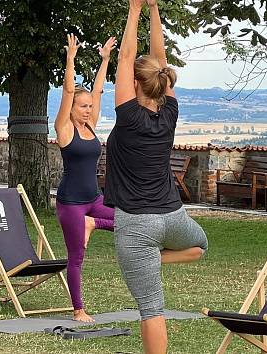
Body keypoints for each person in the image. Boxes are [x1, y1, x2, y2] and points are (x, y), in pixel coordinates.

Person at [104, 0, 208, 353]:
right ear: (162, 85)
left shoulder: (128, 116)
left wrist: (134, 10)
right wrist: (153, 8)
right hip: (173, 217)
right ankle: (155, 259)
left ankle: (150, 259)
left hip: (137, 224)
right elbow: (161, 60)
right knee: (200, 246)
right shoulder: (171, 111)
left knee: (151, 309)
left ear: (135, 83)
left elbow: (125, 58)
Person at [55, 33, 117, 323]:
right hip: (71, 204)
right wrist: (71, 59)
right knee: (76, 258)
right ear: (72, 109)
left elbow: (99, 90)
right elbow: (68, 92)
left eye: (90, 106)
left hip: (94, 201)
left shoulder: (91, 126)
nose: (88, 109)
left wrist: (105, 60)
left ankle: (93, 224)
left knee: (129, 218)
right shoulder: (64, 128)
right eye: (83, 106)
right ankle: (78, 309)